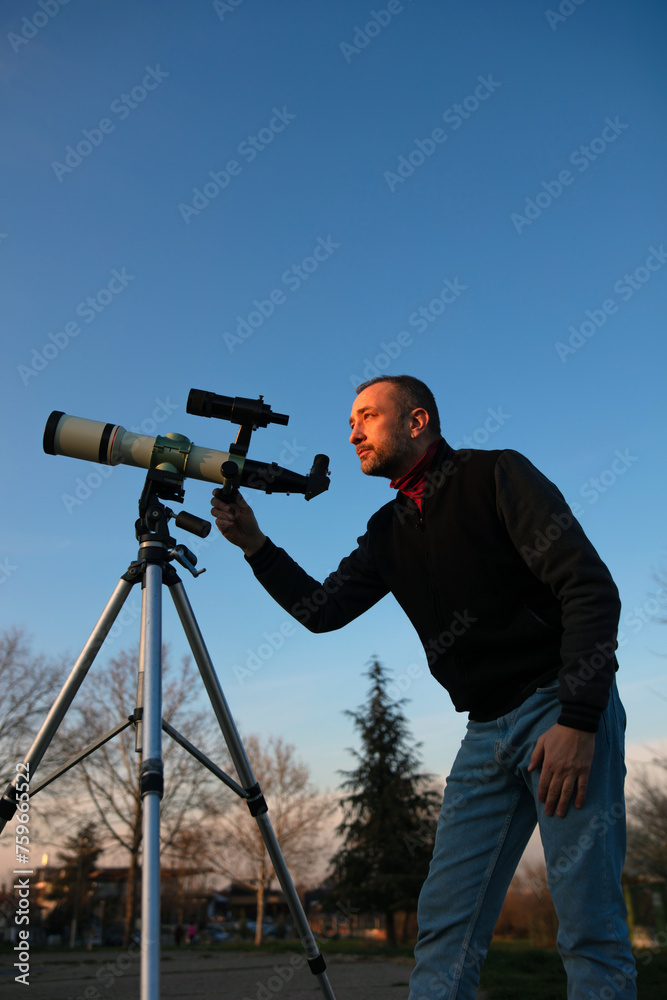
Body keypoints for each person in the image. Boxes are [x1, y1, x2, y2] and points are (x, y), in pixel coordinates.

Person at [211, 375, 636, 999]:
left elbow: (590, 590)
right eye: (350, 421)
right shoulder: (386, 529)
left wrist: (578, 718)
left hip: (559, 709)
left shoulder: (496, 476)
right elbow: (323, 609)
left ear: (417, 421)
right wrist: (255, 546)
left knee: (587, 928)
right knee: (444, 928)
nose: (352, 432)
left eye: (366, 417)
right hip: (484, 733)